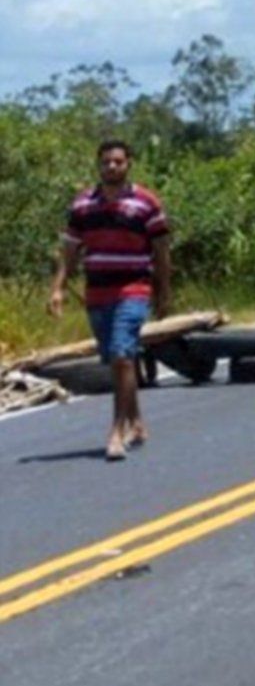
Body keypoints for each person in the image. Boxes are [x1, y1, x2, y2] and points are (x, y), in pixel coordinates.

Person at [49, 140, 172, 461]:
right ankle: (137, 419)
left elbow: (161, 252)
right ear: (98, 165)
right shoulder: (82, 206)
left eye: (118, 162)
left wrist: (164, 291)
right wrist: (58, 288)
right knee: (118, 362)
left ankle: (117, 431)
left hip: (134, 289)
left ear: (129, 163)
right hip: (97, 292)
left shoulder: (146, 203)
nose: (112, 167)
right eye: (106, 162)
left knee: (122, 357)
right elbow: (71, 251)